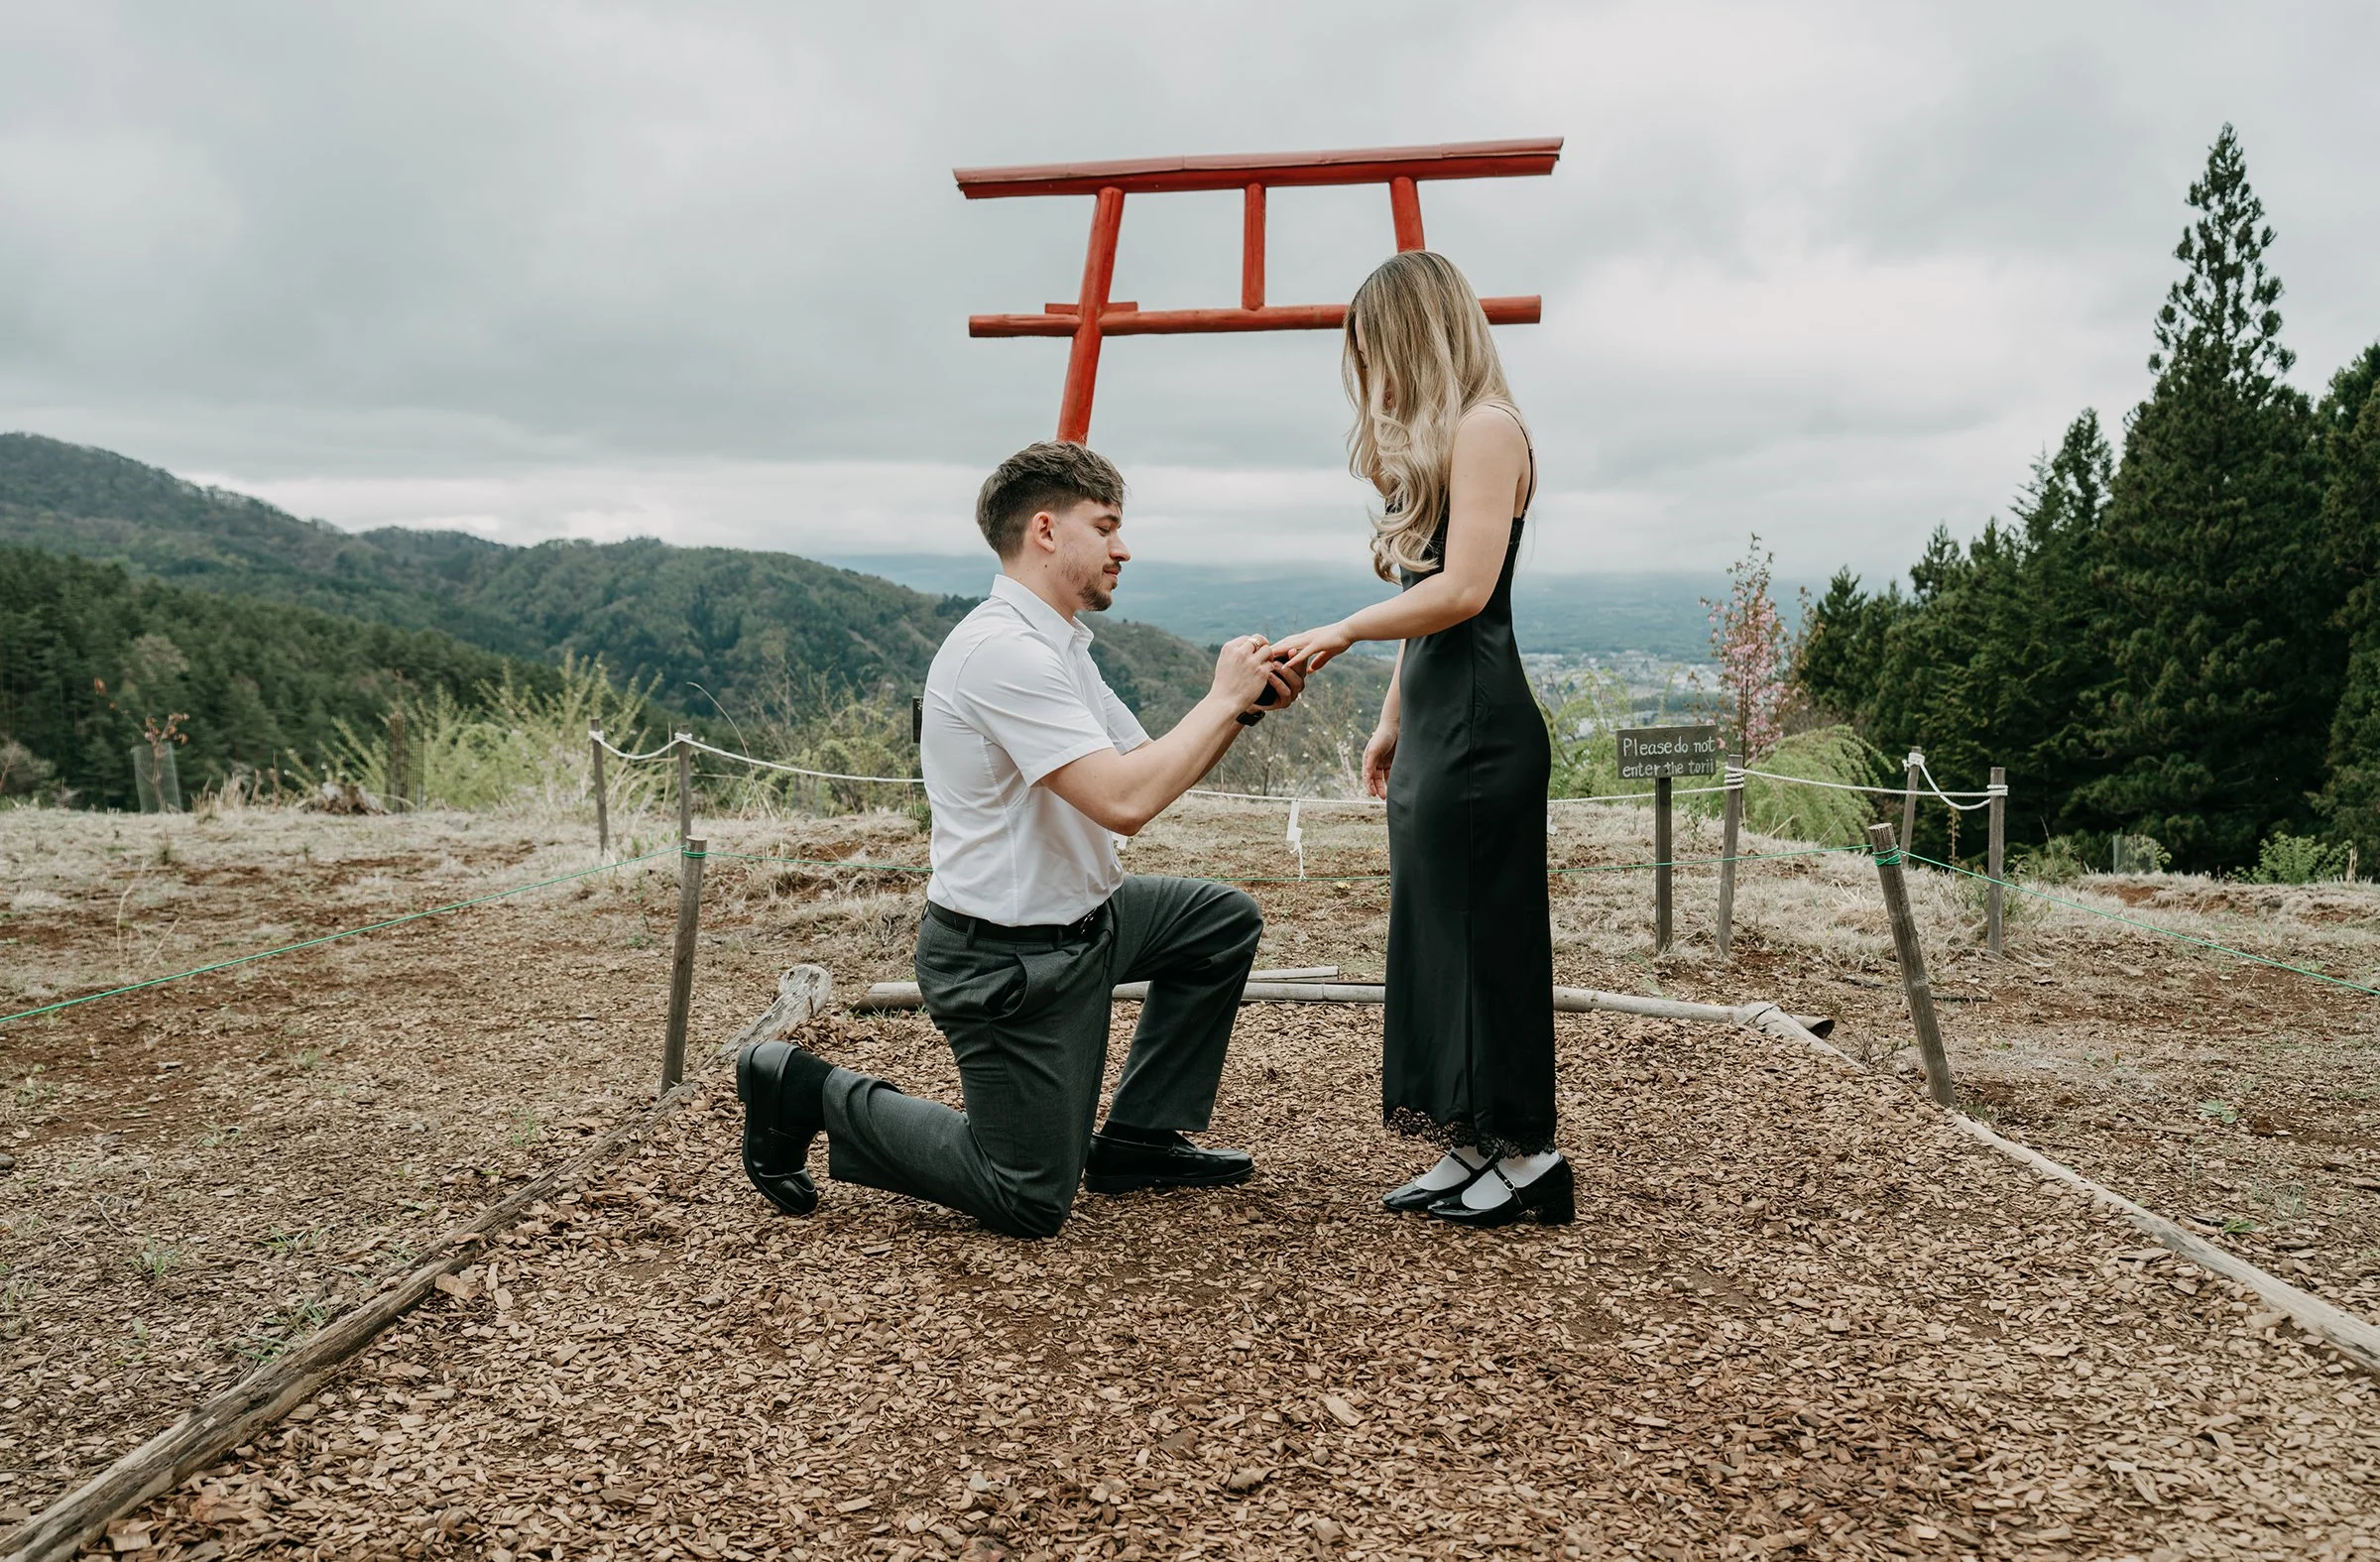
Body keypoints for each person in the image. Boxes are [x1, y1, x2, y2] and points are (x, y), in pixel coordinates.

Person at [736, 440, 1305, 1239]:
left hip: (1090, 919)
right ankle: (802, 1088)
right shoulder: (1002, 653)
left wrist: (1241, 708)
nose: (1123, 547)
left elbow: (1145, 766)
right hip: (1005, 958)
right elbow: (1126, 803)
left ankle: (1139, 1138)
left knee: (1219, 923)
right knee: (1028, 1195)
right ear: (1046, 530)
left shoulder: (1059, 643)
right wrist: (1219, 696)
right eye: (1105, 527)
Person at [1270, 251, 1570, 1229]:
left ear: (1415, 336)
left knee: (1487, 947)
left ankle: (1530, 1161)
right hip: (1441, 723)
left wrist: (1346, 630)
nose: (1375, 381)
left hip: (1485, 727)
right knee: (1439, 943)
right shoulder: (1446, 443)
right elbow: (1426, 607)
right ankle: (1468, 1140)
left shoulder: (1489, 428)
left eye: (1378, 354)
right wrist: (1392, 719)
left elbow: (1466, 593)